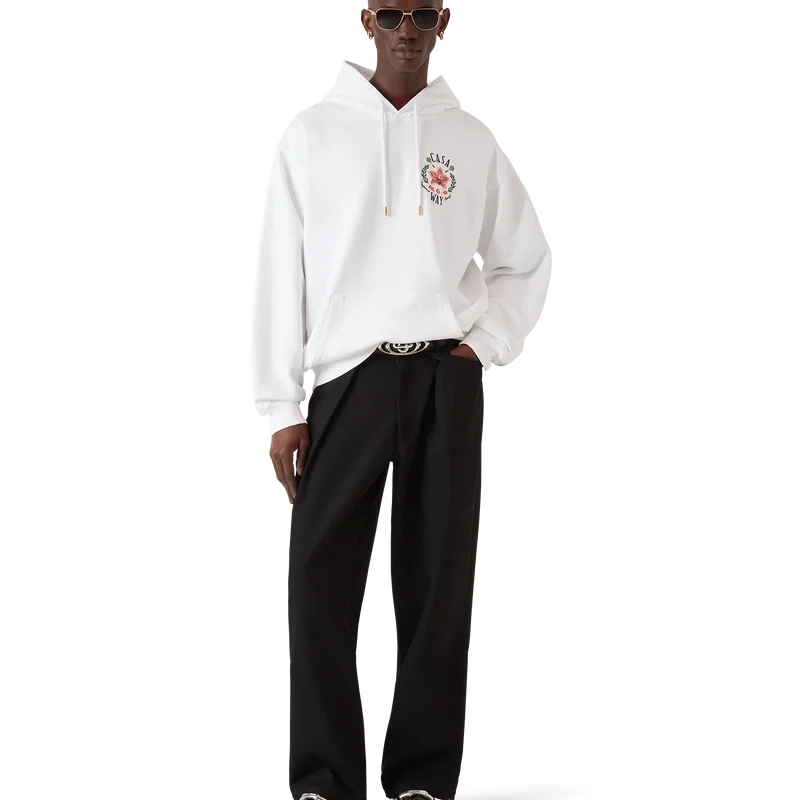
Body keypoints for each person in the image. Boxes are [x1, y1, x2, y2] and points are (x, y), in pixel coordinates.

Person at [251, 3, 552, 798]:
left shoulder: (473, 135)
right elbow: (279, 270)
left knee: (439, 577)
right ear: (366, 22)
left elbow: (527, 259)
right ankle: (325, 776)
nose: (407, 31)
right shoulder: (312, 132)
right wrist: (282, 407)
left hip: (444, 372)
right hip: (345, 374)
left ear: (445, 23)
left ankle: (421, 774)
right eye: (391, 15)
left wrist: (483, 347)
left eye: (424, 15)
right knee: (317, 579)